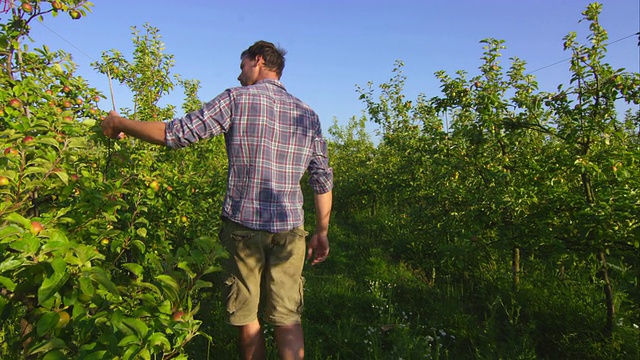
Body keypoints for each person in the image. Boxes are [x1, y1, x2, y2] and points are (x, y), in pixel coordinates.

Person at [100, 40, 333, 360]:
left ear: (259, 60)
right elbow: (321, 179)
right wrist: (322, 231)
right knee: (287, 316)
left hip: (243, 228)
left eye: (242, 67)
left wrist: (120, 123)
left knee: (247, 317)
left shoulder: (236, 100)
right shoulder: (308, 116)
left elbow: (177, 134)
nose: (239, 76)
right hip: (290, 228)